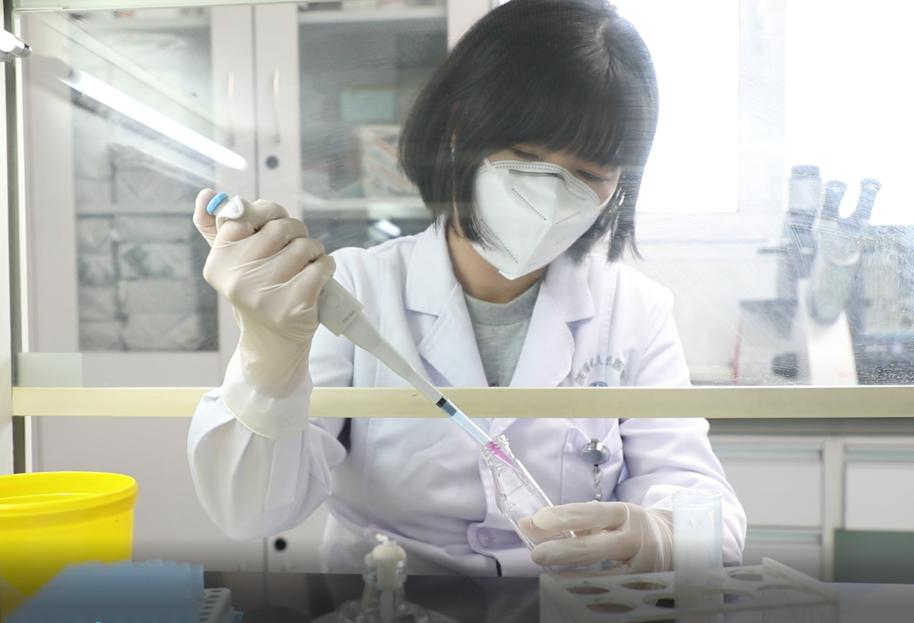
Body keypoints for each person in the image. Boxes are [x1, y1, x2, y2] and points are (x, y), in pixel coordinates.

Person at [188, 0, 745, 578]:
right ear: (460, 128)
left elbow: (707, 505)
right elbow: (249, 510)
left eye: (588, 175)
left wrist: (664, 533)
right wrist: (268, 355)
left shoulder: (633, 309)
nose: (551, 197)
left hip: (568, 606)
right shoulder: (354, 289)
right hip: (389, 602)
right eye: (527, 157)